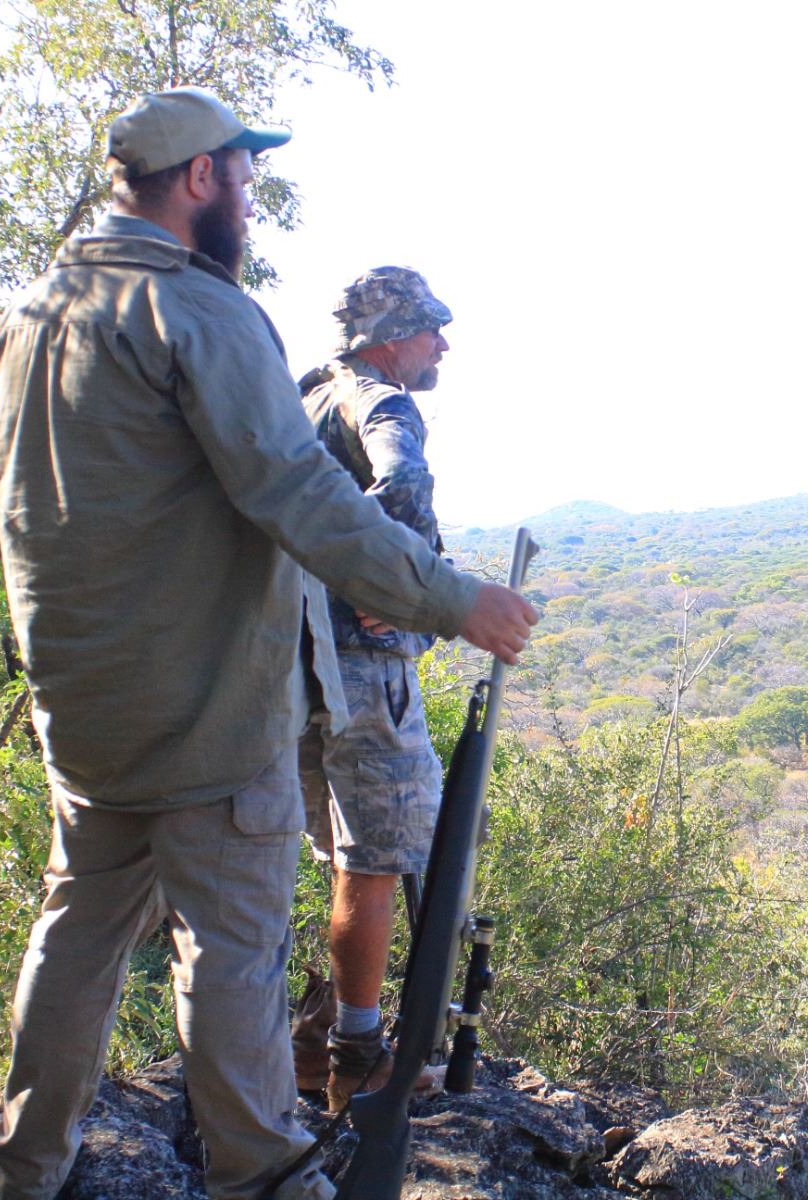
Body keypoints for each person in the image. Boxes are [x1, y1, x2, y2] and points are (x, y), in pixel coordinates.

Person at [0, 87, 537, 1200]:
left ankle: (24, 1168)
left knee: (75, 939)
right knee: (234, 954)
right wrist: (450, 597)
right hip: (209, 708)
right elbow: (298, 495)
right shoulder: (199, 311)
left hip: (81, 713)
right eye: (240, 174)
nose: (247, 195)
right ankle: (269, 1178)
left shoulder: (29, 316)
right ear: (200, 177)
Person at [288, 267, 459, 1111]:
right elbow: (402, 485)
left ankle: (314, 1040)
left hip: (288, 659)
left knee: (338, 860)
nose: (442, 345)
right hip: (361, 664)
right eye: (430, 328)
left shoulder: (304, 400)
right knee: (376, 860)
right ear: (392, 337)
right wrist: (400, 584)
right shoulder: (382, 402)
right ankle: (357, 1053)